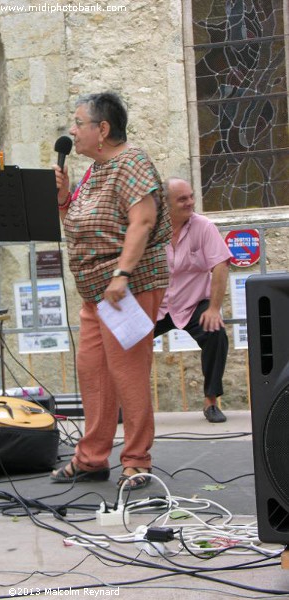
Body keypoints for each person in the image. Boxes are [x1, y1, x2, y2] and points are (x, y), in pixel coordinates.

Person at [50, 92, 172, 489]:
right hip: (95, 295)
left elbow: (143, 220)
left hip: (127, 290)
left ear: (102, 129)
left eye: (78, 121)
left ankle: (137, 461)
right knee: (93, 374)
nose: (72, 129)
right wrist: (63, 198)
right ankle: (91, 458)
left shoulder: (131, 162)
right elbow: (82, 224)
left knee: (128, 375)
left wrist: (121, 273)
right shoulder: (95, 171)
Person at [154, 177, 232, 423]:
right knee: (126, 343)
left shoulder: (204, 226)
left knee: (215, 333)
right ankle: (125, 405)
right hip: (158, 304)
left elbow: (220, 264)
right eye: (182, 199)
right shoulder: (150, 228)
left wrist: (214, 308)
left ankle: (211, 402)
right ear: (165, 204)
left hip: (193, 302)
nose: (190, 202)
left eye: (191, 197)